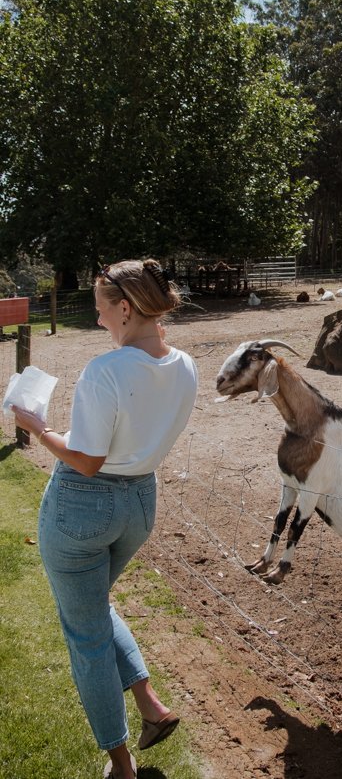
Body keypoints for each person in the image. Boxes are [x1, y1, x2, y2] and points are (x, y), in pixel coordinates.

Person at [11, 259, 198, 779]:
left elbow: (88, 461)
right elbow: (120, 442)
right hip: (139, 503)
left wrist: (38, 428)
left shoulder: (106, 370)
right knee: (94, 607)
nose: (98, 322)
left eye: (100, 311)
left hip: (82, 506)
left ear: (125, 307)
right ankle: (151, 705)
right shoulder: (184, 364)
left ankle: (120, 763)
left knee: (85, 631)